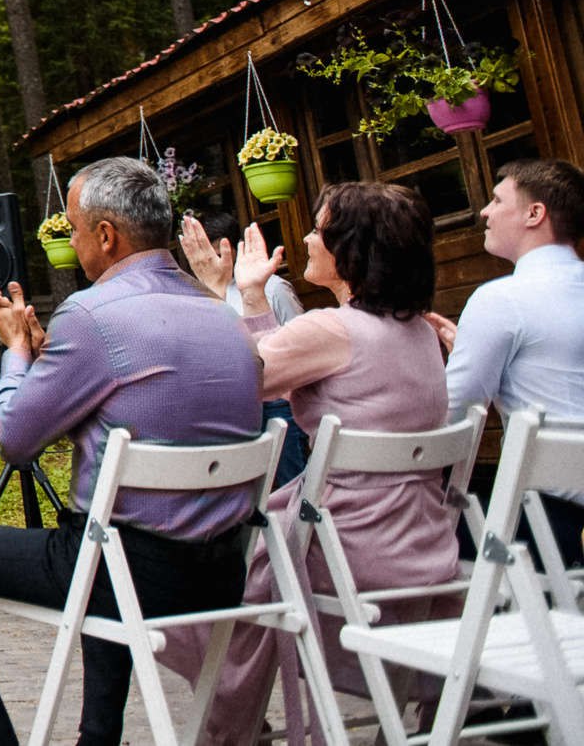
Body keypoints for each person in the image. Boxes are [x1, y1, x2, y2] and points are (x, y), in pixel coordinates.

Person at [0, 157, 264, 746]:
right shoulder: (224, 317)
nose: (73, 240)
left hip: (127, 575)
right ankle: (97, 736)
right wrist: (49, 368)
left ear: (106, 236)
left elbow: (14, 440)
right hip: (223, 574)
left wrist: (17, 353)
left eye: (74, 227)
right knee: (100, 529)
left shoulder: (91, 315)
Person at [157, 183, 457, 746]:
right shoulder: (420, 332)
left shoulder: (330, 330)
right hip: (421, 542)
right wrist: (250, 299)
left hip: (343, 548)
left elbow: (232, 383)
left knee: (195, 575)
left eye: (320, 230)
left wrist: (216, 291)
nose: (307, 238)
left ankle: (228, 725)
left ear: (353, 250)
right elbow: (285, 365)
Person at [430, 157, 584, 569]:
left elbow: (453, 414)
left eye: (497, 200)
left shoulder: (501, 300)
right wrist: (476, 349)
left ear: (535, 214)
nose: (484, 211)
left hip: (551, 527)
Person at [180, 208, 307, 487]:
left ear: (233, 249)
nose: (209, 260)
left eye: (216, 251)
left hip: (278, 404)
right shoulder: (196, 296)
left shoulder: (272, 288)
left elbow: (297, 343)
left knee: (291, 483)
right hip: (235, 407)